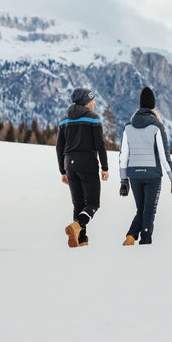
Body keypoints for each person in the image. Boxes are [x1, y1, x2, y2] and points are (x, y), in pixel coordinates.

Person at [118, 87, 172, 245]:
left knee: (141, 210)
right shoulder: (156, 127)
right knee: (149, 211)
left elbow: (123, 155)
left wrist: (123, 180)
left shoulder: (128, 127)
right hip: (152, 175)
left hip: (134, 175)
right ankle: (145, 242)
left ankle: (131, 236)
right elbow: (164, 157)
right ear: (153, 107)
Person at [56, 88, 109, 247]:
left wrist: (63, 171)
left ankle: (80, 240)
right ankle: (77, 226)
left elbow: (59, 148)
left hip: (69, 163)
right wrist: (105, 167)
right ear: (86, 101)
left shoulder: (64, 120)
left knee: (78, 203)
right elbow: (100, 145)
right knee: (93, 203)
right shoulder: (93, 119)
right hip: (88, 163)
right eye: (92, 99)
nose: (94, 102)